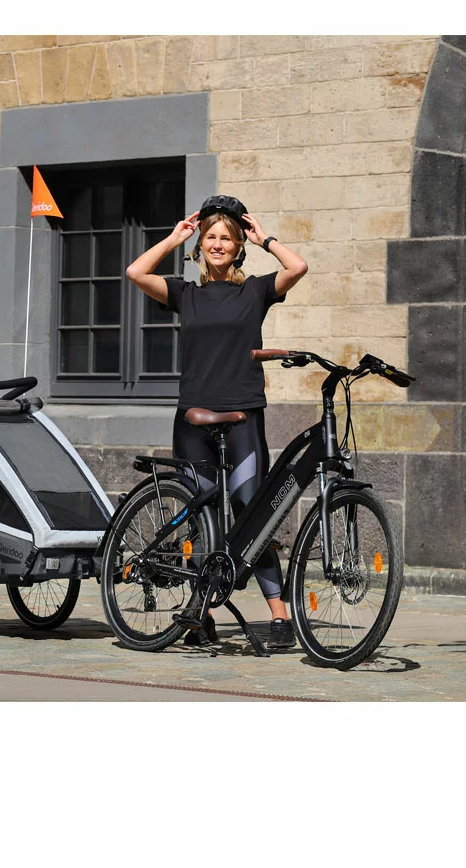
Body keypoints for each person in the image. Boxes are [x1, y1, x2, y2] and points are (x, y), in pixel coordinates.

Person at [125, 195, 308, 649]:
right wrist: (174, 239)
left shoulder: (255, 291)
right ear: (200, 245)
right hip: (193, 418)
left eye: (227, 238)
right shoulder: (185, 294)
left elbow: (298, 267)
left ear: (238, 246)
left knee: (252, 510)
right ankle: (200, 614)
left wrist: (264, 238)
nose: (218, 244)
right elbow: (135, 273)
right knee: (201, 518)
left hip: (243, 415)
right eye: (211, 237)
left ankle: (279, 615)